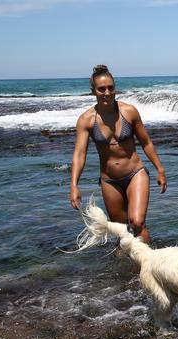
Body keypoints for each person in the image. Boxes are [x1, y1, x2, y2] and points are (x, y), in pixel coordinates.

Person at [70, 65, 167, 244]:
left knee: (137, 223)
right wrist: (74, 185)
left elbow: (146, 142)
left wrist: (160, 170)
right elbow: (79, 154)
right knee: (122, 229)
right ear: (93, 91)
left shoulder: (129, 112)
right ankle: (127, 266)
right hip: (109, 181)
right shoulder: (86, 120)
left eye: (111, 88)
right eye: (101, 89)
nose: (107, 92)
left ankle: (149, 263)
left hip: (135, 174)